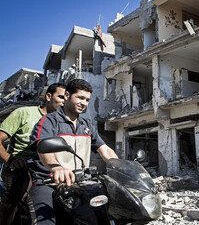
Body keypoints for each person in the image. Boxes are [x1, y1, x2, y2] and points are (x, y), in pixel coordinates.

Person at [29, 79, 118, 224]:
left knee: (102, 217)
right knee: (46, 221)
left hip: (78, 184)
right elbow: (43, 147)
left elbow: (104, 150)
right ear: (67, 96)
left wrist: (119, 168)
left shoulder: (87, 125)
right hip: (48, 182)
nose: (84, 103)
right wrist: (56, 167)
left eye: (87, 99)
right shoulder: (49, 121)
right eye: (80, 98)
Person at [0, 83, 66, 225]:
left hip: (48, 168)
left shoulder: (63, 122)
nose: (63, 102)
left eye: (66, 98)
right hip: (22, 166)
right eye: (60, 97)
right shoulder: (24, 113)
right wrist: (10, 160)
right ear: (49, 96)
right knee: (20, 184)